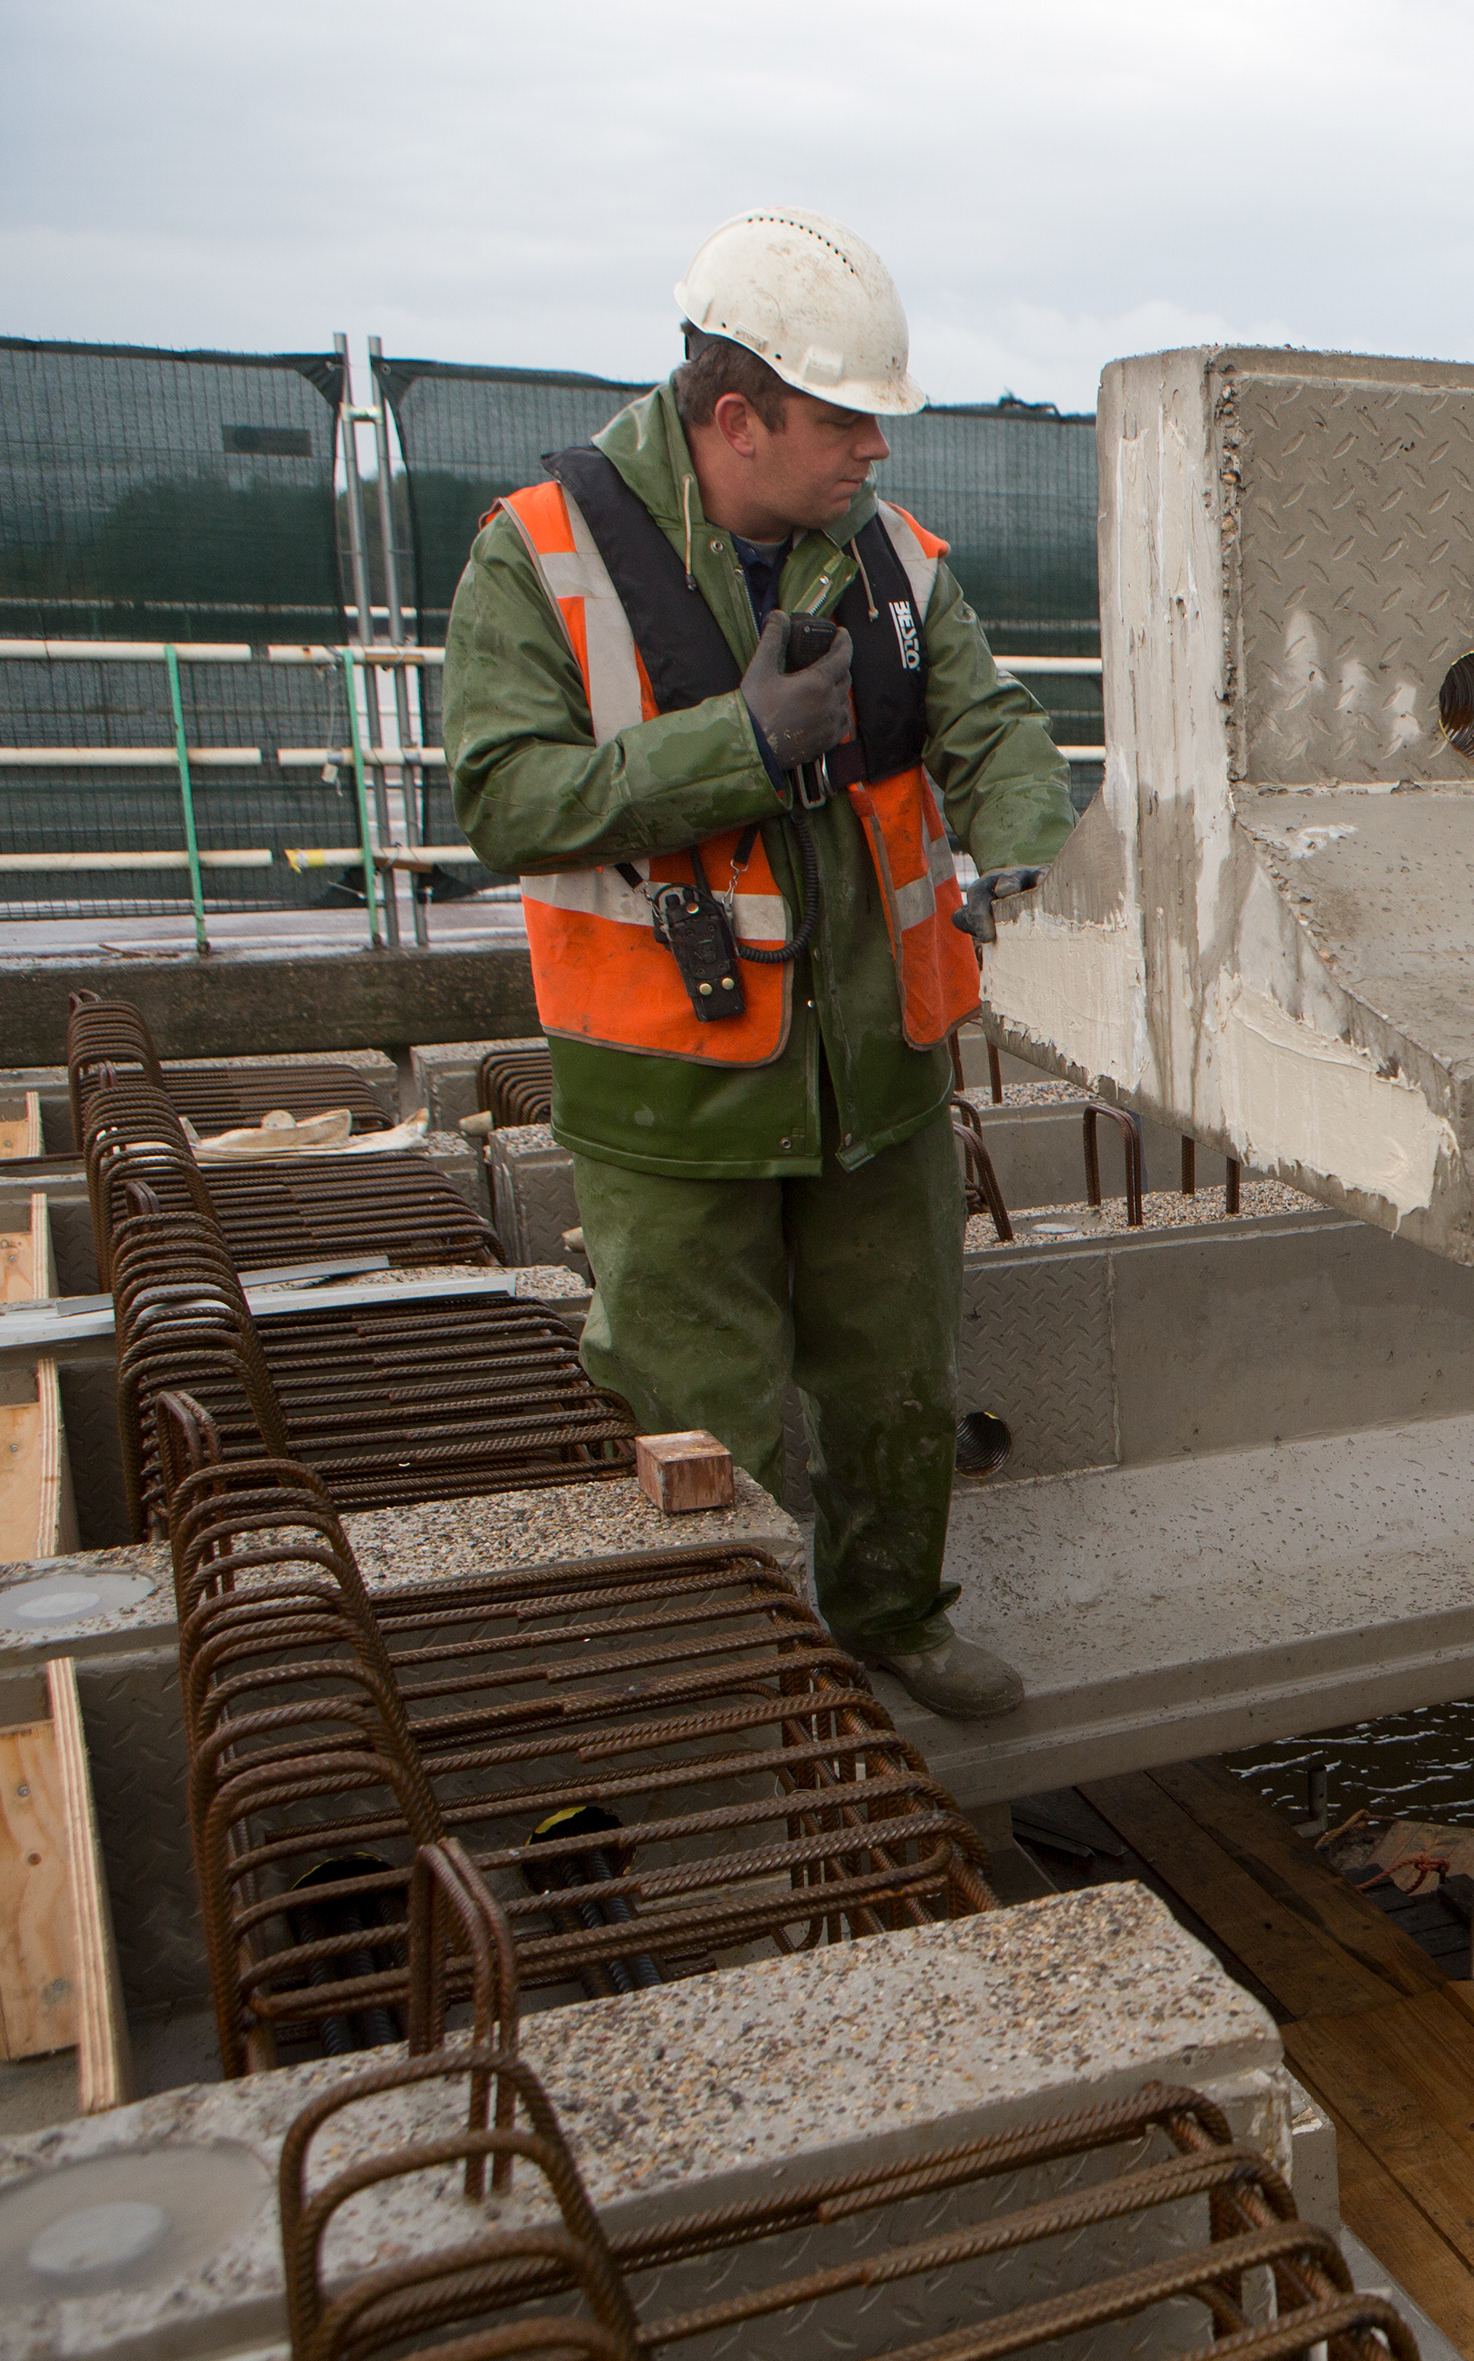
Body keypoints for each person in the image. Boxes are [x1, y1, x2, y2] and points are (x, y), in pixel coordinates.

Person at [446, 207, 1068, 1719]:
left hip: (878, 1070)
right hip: (674, 1103)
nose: (875, 452)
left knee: (895, 1383)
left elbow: (987, 726)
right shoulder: (538, 556)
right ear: (739, 417)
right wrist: (736, 748)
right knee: (706, 1413)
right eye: (847, 420)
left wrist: (1035, 848)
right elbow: (503, 798)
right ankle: (747, 1684)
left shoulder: (892, 561)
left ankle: (892, 1623)